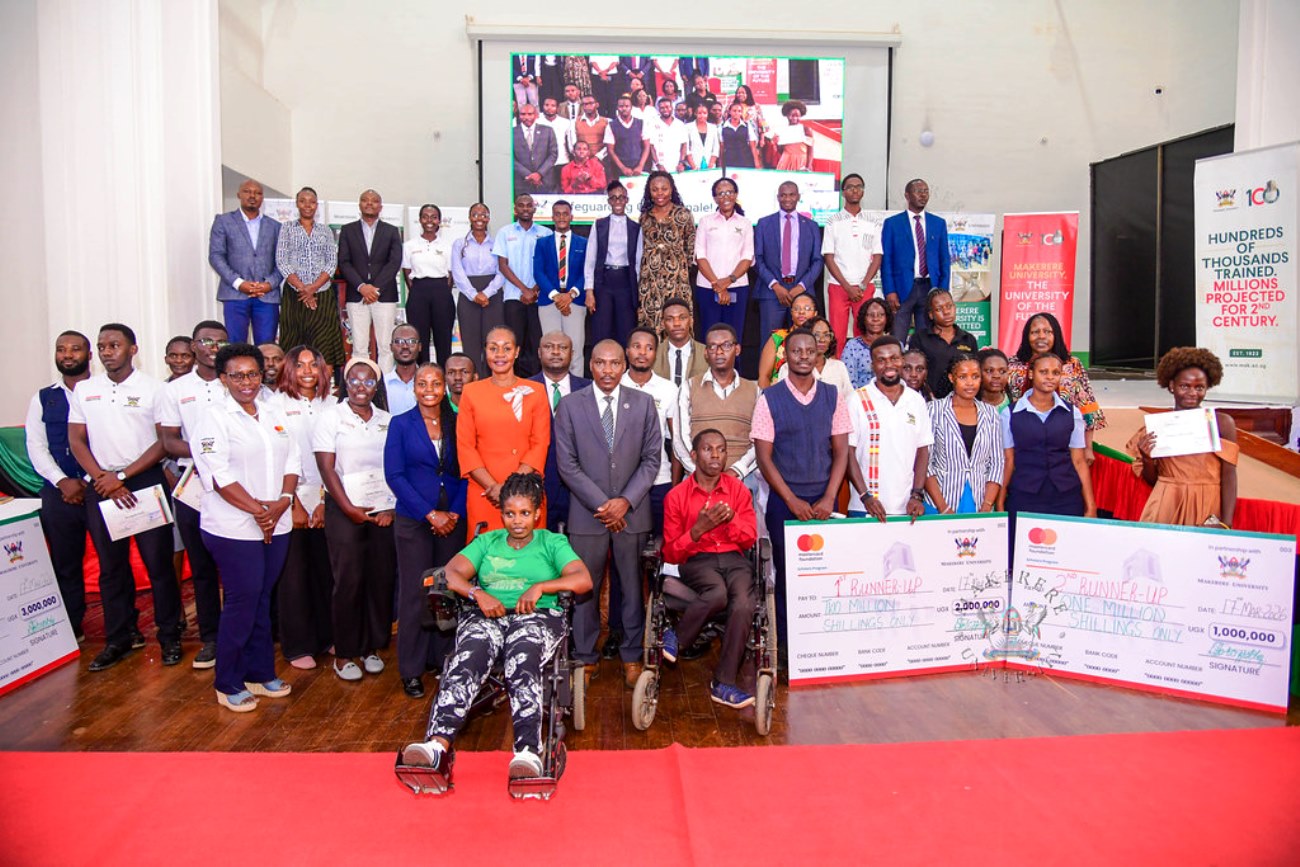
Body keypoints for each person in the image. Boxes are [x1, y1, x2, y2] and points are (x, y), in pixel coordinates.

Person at [399, 472, 593, 786]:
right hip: (488, 615)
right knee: (467, 657)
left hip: (537, 616)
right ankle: (437, 746)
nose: (517, 521)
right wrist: (477, 593)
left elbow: (583, 579)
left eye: (525, 513)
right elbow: (450, 573)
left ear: (537, 513)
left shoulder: (552, 542)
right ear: (501, 514)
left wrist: (541, 587)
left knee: (522, 655)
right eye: (510, 514)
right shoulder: (487, 542)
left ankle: (527, 753)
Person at [190, 344, 299, 712]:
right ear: (223, 379)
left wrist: (282, 501)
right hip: (233, 527)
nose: (246, 382)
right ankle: (228, 681)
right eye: (236, 376)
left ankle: (259, 672)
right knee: (243, 598)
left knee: (262, 597)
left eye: (252, 373)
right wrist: (258, 511)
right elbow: (218, 475)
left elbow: (292, 458)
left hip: (276, 520)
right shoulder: (213, 418)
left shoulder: (273, 410)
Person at [68, 324, 183, 671]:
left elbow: (164, 442)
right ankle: (118, 638)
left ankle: (169, 636)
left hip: (143, 480)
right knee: (111, 567)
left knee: (158, 565)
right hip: (101, 483)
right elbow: (76, 440)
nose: (107, 352)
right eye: (102, 346)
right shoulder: (86, 389)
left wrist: (122, 477)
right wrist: (103, 478)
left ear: (133, 350)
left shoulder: (154, 389)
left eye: (114, 345)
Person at [554, 340, 662, 688]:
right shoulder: (570, 406)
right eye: (600, 363)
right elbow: (567, 465)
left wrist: (625, 501)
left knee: (632, 588)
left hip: (632, 514)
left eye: (615, 363)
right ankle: (586, 657)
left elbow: (652, 460)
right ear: (590, 365)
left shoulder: (643, 404)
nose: (607, 370)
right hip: (587, 516)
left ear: (624, 365)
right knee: (585, 588)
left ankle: (631, 656)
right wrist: (604, 505)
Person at [753, 328, 850, 645]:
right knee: (787, 574)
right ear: (786, 356)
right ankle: (787, 645)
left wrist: (829, 497)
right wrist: (792, 501)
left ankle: (823, 644)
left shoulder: (832, 395)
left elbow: (841, 452)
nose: (804, 356)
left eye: (810, 350)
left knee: (825, 575)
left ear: (818, 353)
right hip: (784, 503)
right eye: (797, 351)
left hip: (825, 502)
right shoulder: (769, 398)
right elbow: (764, 458)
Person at [385, 362, 467, 698]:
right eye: (422, 383)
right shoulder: (401, 424)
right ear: (414, 388)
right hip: (414, 519)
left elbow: (467, 471)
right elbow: (395, 475)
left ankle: (442, 659)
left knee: (445, 590)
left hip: (452, 521)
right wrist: (430, 514)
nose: (429, 389)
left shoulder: (457, 421)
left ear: (444, 386)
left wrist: (454, 513)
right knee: (415, 592)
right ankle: (411, 669)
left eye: (435, 383)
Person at [661, 429, 758, 708]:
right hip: (698, 560)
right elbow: (670, 552)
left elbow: (750, 538)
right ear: (693, 455)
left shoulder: (738, 490)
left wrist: (730, 520)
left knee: (744, 603)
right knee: (716, 593)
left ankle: (723, 683)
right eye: (708, 449)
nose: (716, 455)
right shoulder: (677, 496)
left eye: (721, 449)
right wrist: (698, 530)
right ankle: (677, 636)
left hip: (734, 559)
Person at [313, 357, 396, 682]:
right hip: (344, 510)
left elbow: (394, 467)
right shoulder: (330, 417)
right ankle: (345, 653)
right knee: (348, 582)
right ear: (345, 383)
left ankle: (371, 647)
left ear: (377, 387)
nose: (362, 387)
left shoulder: (387, 419)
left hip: (382, 512)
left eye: (369, 381)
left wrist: (391, 509)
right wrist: (348, 508)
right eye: (355, 381)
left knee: (379, 580)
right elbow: (326, 467)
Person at [157, 320, 230, 670]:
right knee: (201, 567)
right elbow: (169, 440)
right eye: (206, 341)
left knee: (237, 564)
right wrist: (205, 457)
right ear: (194, 345)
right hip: (193, 484)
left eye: (220, 342)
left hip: (236, 483)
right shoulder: (175, 390)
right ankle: (211, 637)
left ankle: (241, 631)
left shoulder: (238, 381)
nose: (213, 348)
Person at [25, 331, 94, 641]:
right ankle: (71, 626)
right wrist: (62, 481)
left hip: (100, 488)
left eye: (75, 349)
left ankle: (124, 627)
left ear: (88, 355)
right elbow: (36, 445)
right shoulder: (43, 398)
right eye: (61, 349)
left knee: (113, 562)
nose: (67, 355)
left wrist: (90, 481)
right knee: (65, 562)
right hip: (59, 491)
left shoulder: (101, 393)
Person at [1127, 347, 1238, 527]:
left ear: (1207, 388)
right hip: (1166, 502)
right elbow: (1152, 480)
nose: (1192, 393)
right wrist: (1147, 459)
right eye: (1185, 386)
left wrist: (1226, 523)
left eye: (1199, 387)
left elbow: (1229, 475)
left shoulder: (1221, 423)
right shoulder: (1156, 427)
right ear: (1172, 386)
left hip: (1206, 503)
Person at [274, 345, 334, 670]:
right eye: (300, 365)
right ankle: (298, 645)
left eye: (314, 364)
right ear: (289, 369)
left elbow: (337, 458)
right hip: (290, 497)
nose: (307, 371)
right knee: (294, 575)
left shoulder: (334, 404)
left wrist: (324, 500)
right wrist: (293, 503)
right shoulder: (274, 405)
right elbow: (279, 457)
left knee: (326, 571)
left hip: (327, 496)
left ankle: (327, 636)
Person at [457, 325, 550, 533]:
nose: (500, 354)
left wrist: (511, 487)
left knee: (527, 550)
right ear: (485, 351)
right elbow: (465, 446)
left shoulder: (536, 391)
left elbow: (540, 443)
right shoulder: (471, 392)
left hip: (525, 490)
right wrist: (493, 487)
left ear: (516, 352)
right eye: (493, 348)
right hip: (485, 492)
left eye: (506, 348)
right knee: (487, 550)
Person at [1000, 352, 1097, 519]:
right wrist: (1000, 502)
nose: (1050, 377)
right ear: (1031, 374)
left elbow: (1079, 461)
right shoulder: (1009, 414)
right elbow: (1008, 461)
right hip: (1024, 496)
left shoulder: (1072, 413)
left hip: (1066, 497)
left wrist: (1091, 505)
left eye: (1056, 373)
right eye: (1043, 372)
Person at [846, 336, 932, 520]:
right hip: (865, 508)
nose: (889, 365)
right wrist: (865, 497)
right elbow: (848, 452)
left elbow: (922, 450)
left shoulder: (916, 400)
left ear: (902, 360)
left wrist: (917, 495)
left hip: (907, 508)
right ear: (872, 365)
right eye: (881, 360)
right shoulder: (856, 400)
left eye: (894, 358)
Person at [1006, 312, 1106, 459]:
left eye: (1048, 332)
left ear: (1056, 335)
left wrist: (1087, 448)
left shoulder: (1072, 364)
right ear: (1026, 336)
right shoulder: (1012, 366)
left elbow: (1087, 406)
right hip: (1022, 442)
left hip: (1066, 443)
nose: (1041, 336)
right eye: (1035, 332)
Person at [673, 323, 760, 484]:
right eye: (712, 347)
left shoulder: (755, 390)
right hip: (697, 477)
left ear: (737, 349)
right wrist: (701, 472)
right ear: (706, 353)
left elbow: (760, 441)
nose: (719, 352)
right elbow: (680, 438)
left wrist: (735, 472)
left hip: (742, 479)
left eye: (726, 345)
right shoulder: (689, 387)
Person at [924, 354, 1004, 515]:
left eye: (975, 376)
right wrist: (943, 507)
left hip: (979, 502)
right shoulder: (933, 410)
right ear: (951, 378)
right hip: (940, 501)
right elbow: (925, 463)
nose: (970, 383)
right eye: (963, 377)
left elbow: (997, 462)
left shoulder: (991, 413)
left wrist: (987, 505)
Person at [276, 186, 344, 369]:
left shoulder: (325, 231)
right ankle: (293, 383)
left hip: (322, 294)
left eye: (312, 202)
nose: (307, 205)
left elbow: (331, 262)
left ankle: (323, 384)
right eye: (303, 201)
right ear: (297, 204)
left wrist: (312, 288)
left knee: (324, 343)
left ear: (316, 205)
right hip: (295, 295)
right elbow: (282, 261)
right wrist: (303, 289)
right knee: (294, 343)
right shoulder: (287, 228)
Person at [208, 179, 283, 345]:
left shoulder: (276, 226)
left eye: (257, 193)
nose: (252, 196)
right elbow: (216, 256)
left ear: (262, 197)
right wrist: (239, 283)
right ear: (239, 195)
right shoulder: (223, 221)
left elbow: (283, 261)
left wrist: (269, 284)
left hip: (267, 296)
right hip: (235, 293)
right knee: (236, 346)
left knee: (267, 347)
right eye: (247, 191)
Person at [530, 332, 591, 534]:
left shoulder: (590, 389)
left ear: (572, 353)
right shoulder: (524, 390)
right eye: (549, 347)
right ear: (539, 352)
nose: (556, 352)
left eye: (563, 347)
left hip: (580, 489)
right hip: (538, 486)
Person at [338, 189, 404, 372]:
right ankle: (362, 384)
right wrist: (362, 287)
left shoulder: (391, 231)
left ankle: (384, 387)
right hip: (356, 295)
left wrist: (375, 289)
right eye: (365, 200)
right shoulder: (348, 230)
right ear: (359, 205)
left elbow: (394, 262)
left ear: (380, 207)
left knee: (386, 347)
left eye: (374, 201)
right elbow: (344, 262)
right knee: (359, 347)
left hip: (384, 295)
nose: (369, 203)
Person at [753, 181, 824, 351]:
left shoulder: (812, 226)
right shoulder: (764, 224)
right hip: (772, 292)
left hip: (802, 291)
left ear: (798, 197)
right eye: (783, 195)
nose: (787, 199)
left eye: (792, 195)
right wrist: (775, 285)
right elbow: (757, 258)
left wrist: (801, 287)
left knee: (805, 340)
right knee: (770, 343)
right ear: (778, 197)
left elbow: (817, 261)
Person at [880, 178, 950, 338]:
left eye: (926, 191)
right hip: (902, 288)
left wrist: (943, 290)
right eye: (918, 191)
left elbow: (944, 260)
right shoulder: (892, 223)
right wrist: (889, 291)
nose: (923, 195)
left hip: (930, 287)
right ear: (907, 195)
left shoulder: (938, 223)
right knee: (897, 337)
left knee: (927, 339)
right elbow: (886, 260)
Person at [822, 173, 883, 356]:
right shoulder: (833, 221)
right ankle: (837, 370)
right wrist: (847, 287)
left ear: (863, 191)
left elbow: (877, 256)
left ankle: (864, 369)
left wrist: (862, 285)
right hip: (839, 286)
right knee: (837, 335)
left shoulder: (873, 221)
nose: (855, 190)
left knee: (865, 333)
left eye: (859, 187)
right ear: (843, 192)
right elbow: (829, 257)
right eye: (850, 187)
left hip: (864, 287)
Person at [494, 193, 553, 377]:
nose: (525, 208)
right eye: (521, 205)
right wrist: (524, 289)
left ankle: (536, 383)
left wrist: (534, 290)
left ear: (534, 209)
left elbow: (549, 266)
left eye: (529, 205)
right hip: (513, 297)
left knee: (537, 344)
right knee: (514, 343)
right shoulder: (505, 233)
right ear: (515, 209)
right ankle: (514, 382)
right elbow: (502, 265)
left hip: (539, 298)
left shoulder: (546, 233)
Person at [636, 172, 696, 334]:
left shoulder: (683, 214)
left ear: (671, 190)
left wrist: (679, 268)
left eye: (664, 189)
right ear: (649, 192)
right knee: (650, 326)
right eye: (655, 189)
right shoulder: (644, 217)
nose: (659, 193)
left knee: (677, 324)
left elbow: (690, 247)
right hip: (650, 283)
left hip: (677, 282)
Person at [694, 177, 754, 339]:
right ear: (715, 198)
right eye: (720, 193)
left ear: (736, 195)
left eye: (729, 192)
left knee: (733, 336)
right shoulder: (705, 222)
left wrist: (728, 281)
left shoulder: (745, 223)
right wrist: (718, 285)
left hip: (737, 286)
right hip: (707, 287)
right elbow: (700, 256)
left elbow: (747, 257)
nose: (725, 197)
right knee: (709, 335)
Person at [451, 203, 505, 378]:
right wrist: (474, 294)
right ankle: (473, 382)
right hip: (468, 296)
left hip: (493, 295)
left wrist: (487, 293)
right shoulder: (460, 244)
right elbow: (457, 272)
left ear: (488, 218)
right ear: (469, 217)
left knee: (492, 342)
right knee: (470, 342)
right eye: (475, 214)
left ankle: (492, 380)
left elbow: (502, 271)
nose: (479, 218)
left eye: (483, 215)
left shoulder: (497, 243)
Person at [533, 200, 587, 375]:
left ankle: (577, 388)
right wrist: (556, 296)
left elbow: (587, 272)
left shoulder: (583, 243)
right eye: (558, 214)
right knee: (550, 349)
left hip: (575, 301)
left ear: (571, 217)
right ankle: (551, 387)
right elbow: (538, 272)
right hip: (549, 302)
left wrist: (570, 295)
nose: (561, 217)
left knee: (575, 348)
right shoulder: (542, 243)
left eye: (565, 214)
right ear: (552, 217)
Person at [585, 181, 640, 349]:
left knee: (626, 331)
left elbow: (638, 263)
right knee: (601, 330)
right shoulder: (599, 225)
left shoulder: (636, 227)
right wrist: (589, 291)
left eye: (621, 197)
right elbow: (590, 259)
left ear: (627, 200)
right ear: (609, 201)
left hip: (625, 283)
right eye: (614, 198)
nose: (618, 201)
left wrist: (637, 293)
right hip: (603, 282)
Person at [402, 203, 456, 365]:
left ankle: (444, 375)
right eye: (425, 217)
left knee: (443, 339)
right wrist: (418, 291)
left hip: (441, 292)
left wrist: (441, 292)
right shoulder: (409, 245)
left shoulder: (448, 246)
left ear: (439, 220)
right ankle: (422, 373)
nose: (429, 221)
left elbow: (451, 274)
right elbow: (407, 272)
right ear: (420, 220)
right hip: (418, 292)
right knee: (419, 339)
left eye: (434, 217)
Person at [909, 289, 978, 399]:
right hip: (930, 399)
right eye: (939, 309)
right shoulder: (920, 339)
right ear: (931, 315)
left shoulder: (968, 339)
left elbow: (974, 372)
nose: (946, 312)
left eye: (949, 306)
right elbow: (915, 372)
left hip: (961, 400)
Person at [779, 315, 854, 397]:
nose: (822, 340)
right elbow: (783, 399)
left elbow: (849, 398)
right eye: (817, 335)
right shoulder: (789, 368)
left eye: (826, 335)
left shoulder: (839, 367)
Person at [757, 292, 818, 387]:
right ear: (791, 313)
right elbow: (764, 376)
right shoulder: (777, 337)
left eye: (807, 308)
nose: (801, 312)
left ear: (815, 314)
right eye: (796, 309)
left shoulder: (820, 340)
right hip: (778, 393)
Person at [840, 296, 894, 389]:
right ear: (863, 318)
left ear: (887, 318)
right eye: (871, 315)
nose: (875, 319)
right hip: (860, 396)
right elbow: (849, 382)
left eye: (881, 315)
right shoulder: (852, 346)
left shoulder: (895, 345)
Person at [653, 296, 707, 387]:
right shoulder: (653, 354)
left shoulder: (707, 353)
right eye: (670, 319)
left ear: (691, 321)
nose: (677, 323)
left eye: (682, 318)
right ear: (662, 323)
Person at [512, 102, 558, 194]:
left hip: (544, 181)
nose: (526, 117)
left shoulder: (547, 131)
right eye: (523, 114)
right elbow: (511, 158)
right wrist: (529, 175)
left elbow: (553, 155)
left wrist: (539, 174)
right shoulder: (512, 133)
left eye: (530, 114)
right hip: (522, 182)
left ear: (536, 115)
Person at [606, 94, 651, 178]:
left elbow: (647, 146)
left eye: (627, 106)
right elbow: (610, 150)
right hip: (619, 170)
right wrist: (622, 168)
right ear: (617, 108)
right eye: (621, 106)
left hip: (640, 168)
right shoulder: (611, 125)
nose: (624, 109)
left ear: (631, 107)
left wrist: (640, 166)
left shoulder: (641, 123)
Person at [383, 324, 422, 416]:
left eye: (411, 341)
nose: (405, 346)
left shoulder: (430, 385)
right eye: (399, 341)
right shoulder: (383, 384)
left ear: (420, 346)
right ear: (391, 347)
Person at [647, 96, 688, 173]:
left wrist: (681, 163)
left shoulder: (680, 124)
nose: (665, 109)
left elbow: (684, 145)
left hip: (676, 168)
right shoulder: (652, 123)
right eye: (662, 108)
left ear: (672, 108)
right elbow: (651, 146)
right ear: (658, 109)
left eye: (667, 107)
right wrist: (658, 164)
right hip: (658, 168)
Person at [571, 94, 610, 171]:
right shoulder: (575, 122)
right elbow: (572, 143)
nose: (588, 106)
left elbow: (609, 144)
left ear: (597, 104)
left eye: (591, 103)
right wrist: (582, 157)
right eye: (585, 104)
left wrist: (598, 157)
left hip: (602, 160)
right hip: (580, 161)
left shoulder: (606, 122)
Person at [719, 100, 759, 169]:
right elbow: (721, 147)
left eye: (739, 111)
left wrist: (756, 162)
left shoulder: (747, 126)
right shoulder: (722, 127)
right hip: (729, 160)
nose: (737, 113)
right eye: (734, 111)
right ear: (730, 112)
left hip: (745, 160)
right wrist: (720, 163)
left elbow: (752, 145)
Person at [774, 100, 813, 171]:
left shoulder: (806, 129)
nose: (795, 118)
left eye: (797, 116)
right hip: (785, 161)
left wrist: (808, 166)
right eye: (792, 115)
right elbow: (781, 151)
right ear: (787, 116)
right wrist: (776, 144)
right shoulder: (783, 130)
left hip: (801, 162)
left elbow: (810, 150)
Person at [538, 96, 573, 173]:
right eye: (546, 105)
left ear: (557, 108)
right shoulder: (537, 121)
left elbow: (571, 143)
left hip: (562, 161)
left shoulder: (565, 122)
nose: (549, 108)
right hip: (542, 163)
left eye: (553, 106)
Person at [685, 103, 720, 170]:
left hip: (709, 165)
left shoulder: (713, 128)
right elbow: (686, 149)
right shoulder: (687, 127)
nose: (702, 115)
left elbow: (716, 148)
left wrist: (710, 165)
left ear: (707, 114)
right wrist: (693, 166)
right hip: (692, 165)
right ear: (695, 114)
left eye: (704, 113)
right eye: (699, 113)